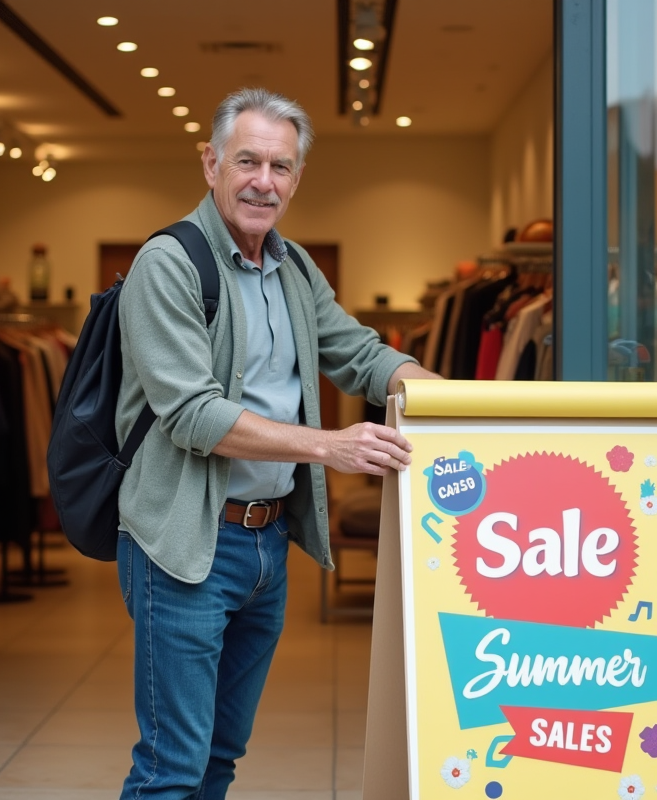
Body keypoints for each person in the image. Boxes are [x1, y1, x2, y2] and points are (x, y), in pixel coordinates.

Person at [114, 87, 440, 798]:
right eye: (249, 161)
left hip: (264, 549)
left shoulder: (292, 268)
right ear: (211, 163)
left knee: (221, 754)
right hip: (183, 549)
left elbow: (360, 354)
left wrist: (449, 400)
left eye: (282, 167)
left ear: (296, 178)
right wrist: (331, 446)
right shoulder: (167, 265)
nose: (265, 181)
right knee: (171, 766)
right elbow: (194, 415)